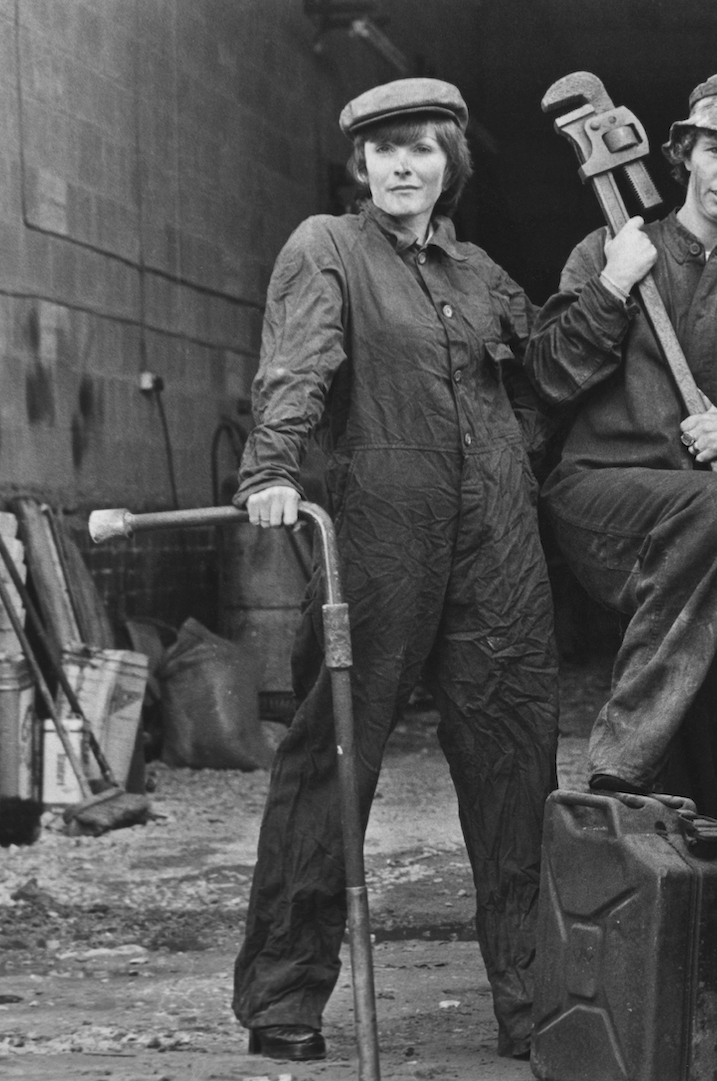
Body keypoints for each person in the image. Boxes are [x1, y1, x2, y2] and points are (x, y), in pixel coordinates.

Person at [230, 78, 559, 1062]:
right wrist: (275, 464)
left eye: (421, 148)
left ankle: (534, 1000)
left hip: (496, 538)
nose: (404, 166)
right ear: (361, 166)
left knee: (514, 761)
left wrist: (618, 285)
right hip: (381, 527)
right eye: (384, 150)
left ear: (451, 159)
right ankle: (286, 995)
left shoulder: (481, 273)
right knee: (334, 754)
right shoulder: (326, 248)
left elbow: (549, 370)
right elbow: (301, 361)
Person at [524, 71, 717, 1056]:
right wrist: (613, 287)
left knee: (707, 768)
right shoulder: (612, 244)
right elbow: (551, 375)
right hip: (605, 497)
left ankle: (685, 1001)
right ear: (681, 154)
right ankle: (617, 756)